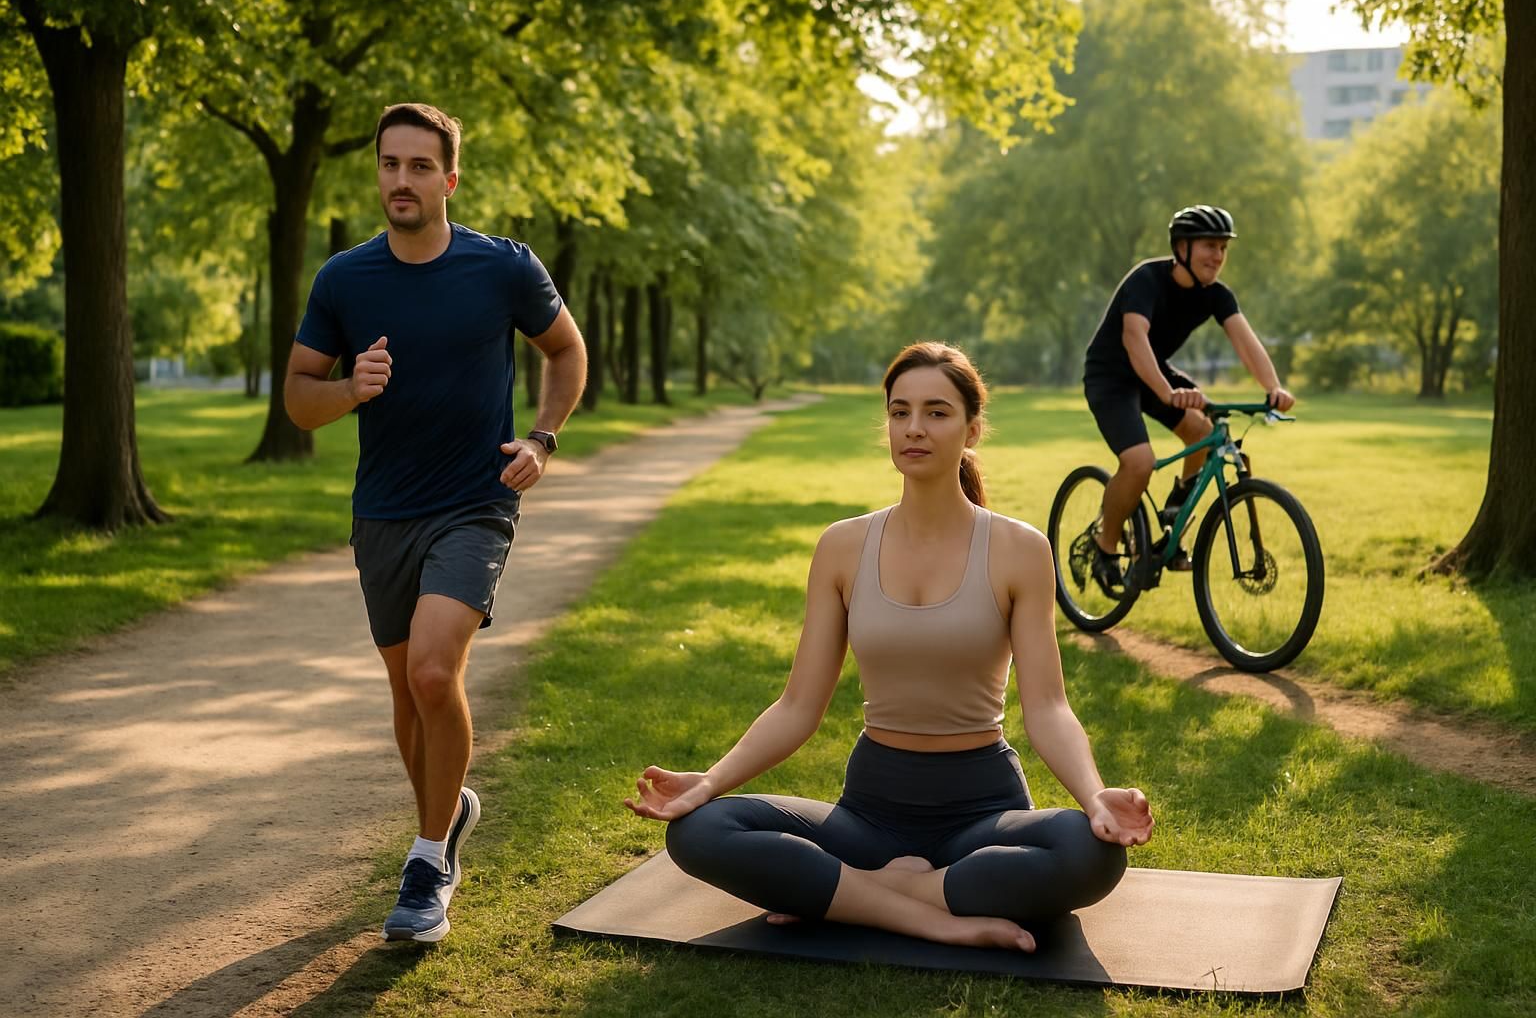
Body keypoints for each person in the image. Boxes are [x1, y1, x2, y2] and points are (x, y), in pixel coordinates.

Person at [624, 342, 1152, 952]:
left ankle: (853, 897)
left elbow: (1049, 708)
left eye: (936, 412)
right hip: (870, 814)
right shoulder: (843, 548)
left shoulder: (1018, 549)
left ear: (972, 428)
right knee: (700, 830)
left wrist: (1095, 799)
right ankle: (926, 913)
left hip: (982, 813)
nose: (914, 429)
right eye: (900, 412)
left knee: (1092, 853)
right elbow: (798, 706)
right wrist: (708, 783)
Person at [285, 102, 587, 942]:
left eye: (421, 166)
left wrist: (542, 437)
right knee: (406, 697)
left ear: (449, 179)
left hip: (475, 502)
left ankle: (426, 863)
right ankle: (447, 815)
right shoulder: (344, 280)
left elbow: (566, 350)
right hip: (383, 510)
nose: (402, 180)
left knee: (430, 671)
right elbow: (299, 398)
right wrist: (351, 389)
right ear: (377, 172)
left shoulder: (503, 268)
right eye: (390, 164)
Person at [1082, 205, 1296, 595]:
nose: (1217, 256)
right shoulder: (1147, 279)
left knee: (1203, 430)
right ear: (1182, 247)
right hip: (1111, 375)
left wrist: (1273, 388)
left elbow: (1245, 341)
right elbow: (1134, 338)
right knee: (1140, 462)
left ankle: (1173, 514)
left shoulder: (1215, 295)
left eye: (1222, 248)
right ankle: (1105, 547)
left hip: (1154, 372)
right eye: (1209, 246)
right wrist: (1167, 392)